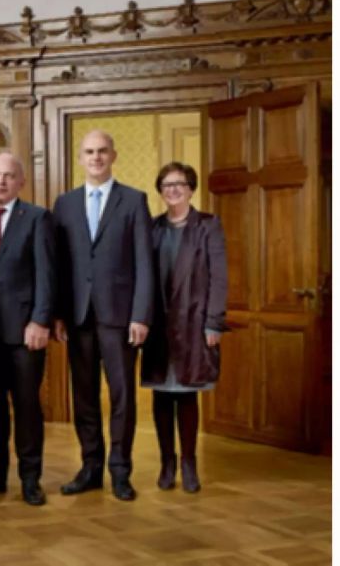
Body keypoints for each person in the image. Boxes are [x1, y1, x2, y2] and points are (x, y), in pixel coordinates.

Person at [52, 129, 153, 502]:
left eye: (102, 152)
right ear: (80, 158)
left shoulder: (134, 200)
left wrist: (141, 315)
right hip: (78, 319)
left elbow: (145, 262)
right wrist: (59, 314)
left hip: (120, 318)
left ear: (113, 155)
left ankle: (120, 471)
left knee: (123, 396)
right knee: (84, 397)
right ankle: (90, 467)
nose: (95, 158)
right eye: (89, 152)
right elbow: (60, 265)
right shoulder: (64, 204)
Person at [0, 152, 56, 506]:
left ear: (21, 181)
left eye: (8, 175)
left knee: (26, 407)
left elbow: (47, 275)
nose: (1, 181)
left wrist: (40, 320)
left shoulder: (37, 218)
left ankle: (30, 478)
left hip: (25, 333)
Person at [141, 162, 227, 493]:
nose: (172, 190)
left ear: (191, 189)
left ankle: (189, 463)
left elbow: (218, 278)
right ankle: (167, 462)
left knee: (187, 394)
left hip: (194, 324)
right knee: (161, 394)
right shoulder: (152, 227)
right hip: (159, 326)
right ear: (160, 191)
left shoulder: (208, 225)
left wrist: (214, 322)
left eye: (179, 184)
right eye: (166, 185)